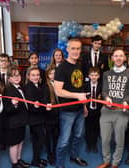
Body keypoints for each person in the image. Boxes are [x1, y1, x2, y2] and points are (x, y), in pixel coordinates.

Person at [54, 38, 88, 168]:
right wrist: (77, 96)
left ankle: (74, 156)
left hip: (80, 109)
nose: (76, 51)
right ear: (67, 49)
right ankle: (59, 164)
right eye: (73, 48)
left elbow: (81, 88)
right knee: (64, 140)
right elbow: (58, 91)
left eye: (78, 48)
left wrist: (84, 106)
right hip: (67, 111)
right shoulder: (61, 68)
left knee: (79, 135)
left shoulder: (79, 65)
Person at [97, 49, 129, 168]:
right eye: (116, 56)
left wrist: (125, 102)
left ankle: (115, 163)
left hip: (122, 112)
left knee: (119, 140)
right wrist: (106, 98)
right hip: (106, 111)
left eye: (121, 56)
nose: (118, 58)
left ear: (124, 58)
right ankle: (106, 161)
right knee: (105, 140)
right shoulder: (106, 74)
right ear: (112, 58)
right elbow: (104, 91)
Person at [3, 66, 30, 168]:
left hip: (21, 120)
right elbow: (7, 109)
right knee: (14, 143)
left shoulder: (21, 86)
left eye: (18, 75)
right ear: (9, 78)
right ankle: (14, 164)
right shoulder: (7, 90)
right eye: (13, 76)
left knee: (21, 141)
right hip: (13, 122)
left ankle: (18, 160)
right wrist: (14, 104)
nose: (16, 77)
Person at [24, 67, 47, 168]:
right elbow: (29, 105)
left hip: (38, 117)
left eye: (37, 75)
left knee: (36, 139)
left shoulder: (37, 85)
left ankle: (36, 159)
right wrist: (35, 106)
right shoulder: (29, 87)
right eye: (33, 75)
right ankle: (35, 160)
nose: (36, 77)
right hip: (34, 118)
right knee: (40, 138)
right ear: (28, 76)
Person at [43, 65, 59, 165]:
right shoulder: (45, 86)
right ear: (47, 75)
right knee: (48, 136)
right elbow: (44, 100)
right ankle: (50, 155)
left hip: (58, 114)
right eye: (50, 73)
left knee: (56, 136)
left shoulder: (59, 84)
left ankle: (54, 152)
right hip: (49, 116)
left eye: (54, 73)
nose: (53, 75)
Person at [84, 67, 102, 153]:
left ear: (99, 76)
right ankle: (88, 144)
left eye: (96, 75)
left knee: (96, 128)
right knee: (88, 128)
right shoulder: (85, 85)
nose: (94, 77)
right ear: (89, 76)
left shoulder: (102, 85)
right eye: (92, 75)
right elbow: (82, 96)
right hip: (88, 110)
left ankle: (94, 144)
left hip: (98, 110)